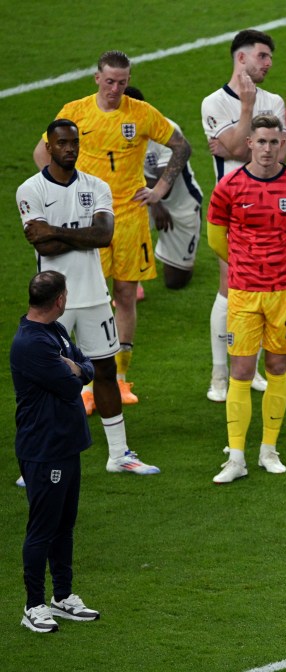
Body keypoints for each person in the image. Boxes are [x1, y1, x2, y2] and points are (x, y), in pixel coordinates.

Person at [32, 50, 192, 406]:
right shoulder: (75, 111)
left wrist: (161, 189)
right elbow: (42, 153)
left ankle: (120, 377)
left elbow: (181, 146)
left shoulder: (142, 113)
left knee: (124, 295)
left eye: (122, 82)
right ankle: (85, 382)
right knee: (85, 298)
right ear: (96, 79)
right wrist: (60, 195)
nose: (115, 89)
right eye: (109, 81)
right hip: (89, 221)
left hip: (131, 217)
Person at [17, 119, 159, 475]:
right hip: (53, 301)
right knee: (45, 378)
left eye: (74, 143)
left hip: (95, 295)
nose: (70, 149)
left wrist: (55, 230)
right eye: (62, 143)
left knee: (106, 371)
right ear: (48, 147)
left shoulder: (96, 186)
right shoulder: (30, 190)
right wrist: (77, 233)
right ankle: (37, 457)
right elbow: (40, 242)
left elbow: (104, 236)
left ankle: (119, 454)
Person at [205, 114, 286, 484]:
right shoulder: (229, 186)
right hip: (243, 293)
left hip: (284, 294)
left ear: (282, 143)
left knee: (279, 369)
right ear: (249, 143)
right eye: (262, 142)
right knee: (240, 371)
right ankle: (236, 457)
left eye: (275, 142)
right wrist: (247, 263)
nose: (268, 149)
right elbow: (215, 239)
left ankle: (269, 449)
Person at [12, 271, 102, 633]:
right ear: (60, 300)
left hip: (65, 445)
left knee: (64, 525)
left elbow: (87, 369)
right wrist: (77, 371)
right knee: (42, 529)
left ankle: (62, 597)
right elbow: (70, 388)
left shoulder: (56, 332)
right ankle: (33, 605)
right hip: (44, 449)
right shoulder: (31, 344)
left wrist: (77, 368)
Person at [201, 29, 286, 402]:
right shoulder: (214, 102)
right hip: (232, 207)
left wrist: (236, 146)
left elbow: (277, 155)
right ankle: (220, 375)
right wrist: (249, 113)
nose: (268, 64)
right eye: (263, 56)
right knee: (229, 288)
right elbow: (244, 147)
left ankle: (248, 370)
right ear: (242, 58)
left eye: (269, 58)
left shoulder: (276, 100)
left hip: (272, 208)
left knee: (268, 290)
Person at [125, 87, 203, 290]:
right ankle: (132, 278)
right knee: (117, 222)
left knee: (175, 281)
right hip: (140, 199)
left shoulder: (166, 130)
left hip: (180, 204)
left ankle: (172, 252)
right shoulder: (111, 134)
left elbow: (163, 187)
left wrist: (154, 200)